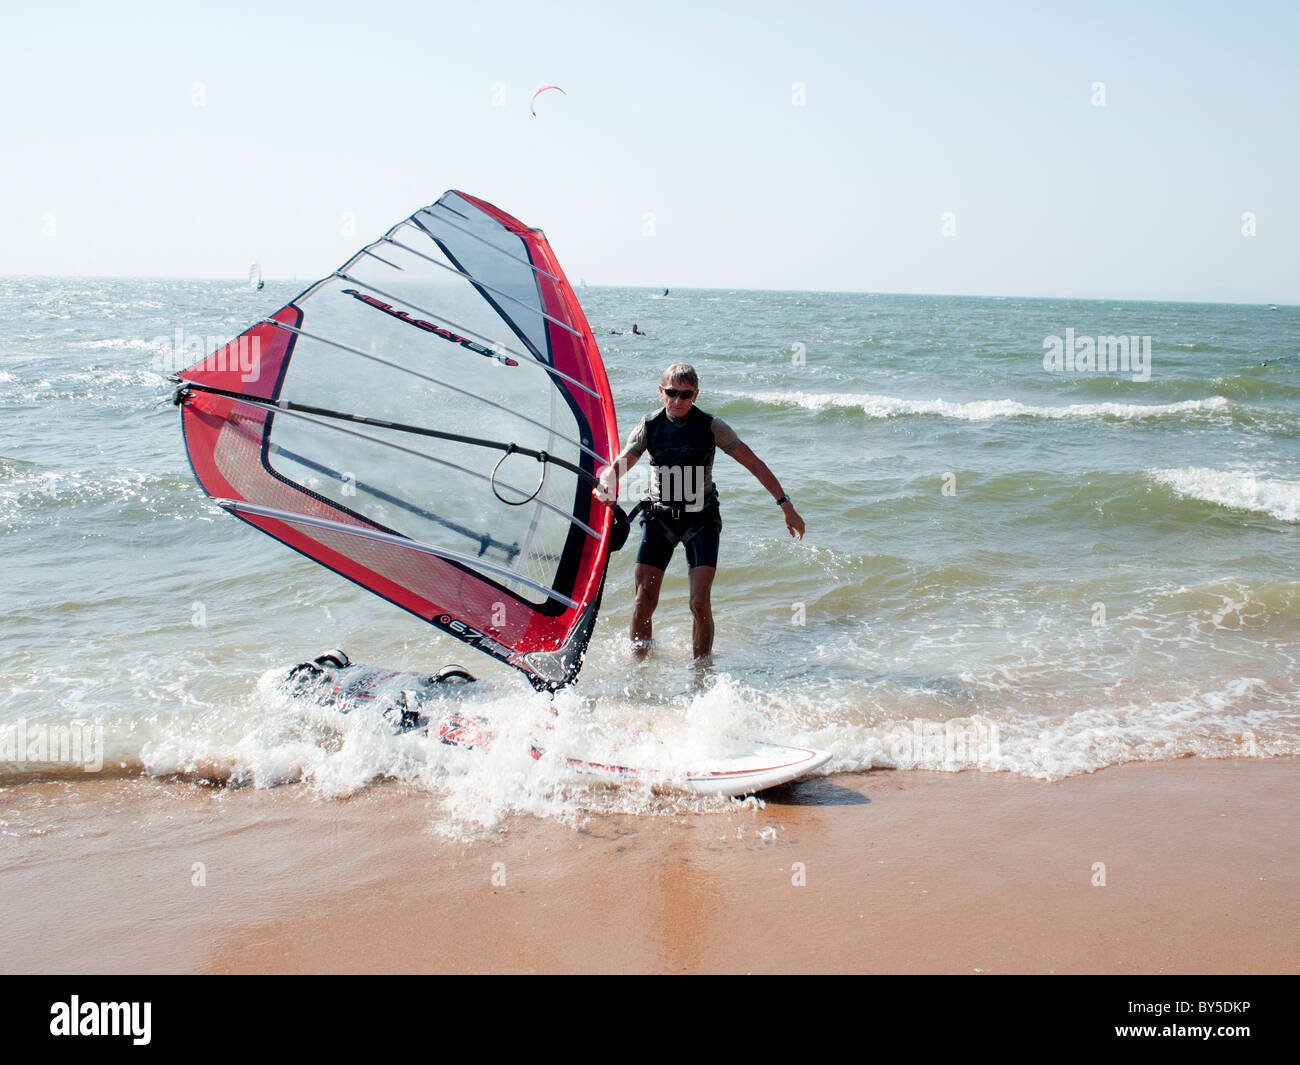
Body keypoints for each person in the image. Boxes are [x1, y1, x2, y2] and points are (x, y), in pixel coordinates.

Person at [594, 363, 805, 660]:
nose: (677, 401)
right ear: (661, 392)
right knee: (643, 600)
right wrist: (606, 483)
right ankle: (640, 671)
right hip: (659, 518)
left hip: (701, 520)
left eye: (686, 394)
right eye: (671, 393)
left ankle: (701, 672)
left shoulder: (711, 426)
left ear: (696, 395)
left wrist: (786, 506)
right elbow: (621, 464)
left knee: (699, 602)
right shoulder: (650, 425)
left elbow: (755, 464)